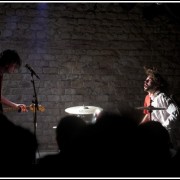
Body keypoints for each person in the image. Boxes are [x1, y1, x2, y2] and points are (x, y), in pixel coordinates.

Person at [140, 67, 180, 150]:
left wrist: (163, 127)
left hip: (167, 139)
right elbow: (148, 115)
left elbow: (176, 112)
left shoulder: (162, 97)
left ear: (157, 84)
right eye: (145, 80)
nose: (145, 81)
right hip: (157, 137)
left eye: (149, 80)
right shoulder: (150, 99)